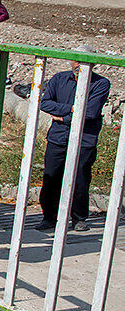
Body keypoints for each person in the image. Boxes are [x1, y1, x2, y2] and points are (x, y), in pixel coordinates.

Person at [37, 53, 111, 232]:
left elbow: (91, 113)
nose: (79, 65)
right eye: (77, 60)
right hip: (58, 137)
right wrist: (71, 109)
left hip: (84, 139)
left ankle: (78, 218)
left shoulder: (101, 83)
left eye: (85, 62)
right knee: (51, 176)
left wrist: (62, 117)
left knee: (80, 179)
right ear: (71, 60)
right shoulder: (59, 79)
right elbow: (45, 103)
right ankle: (49, 217)